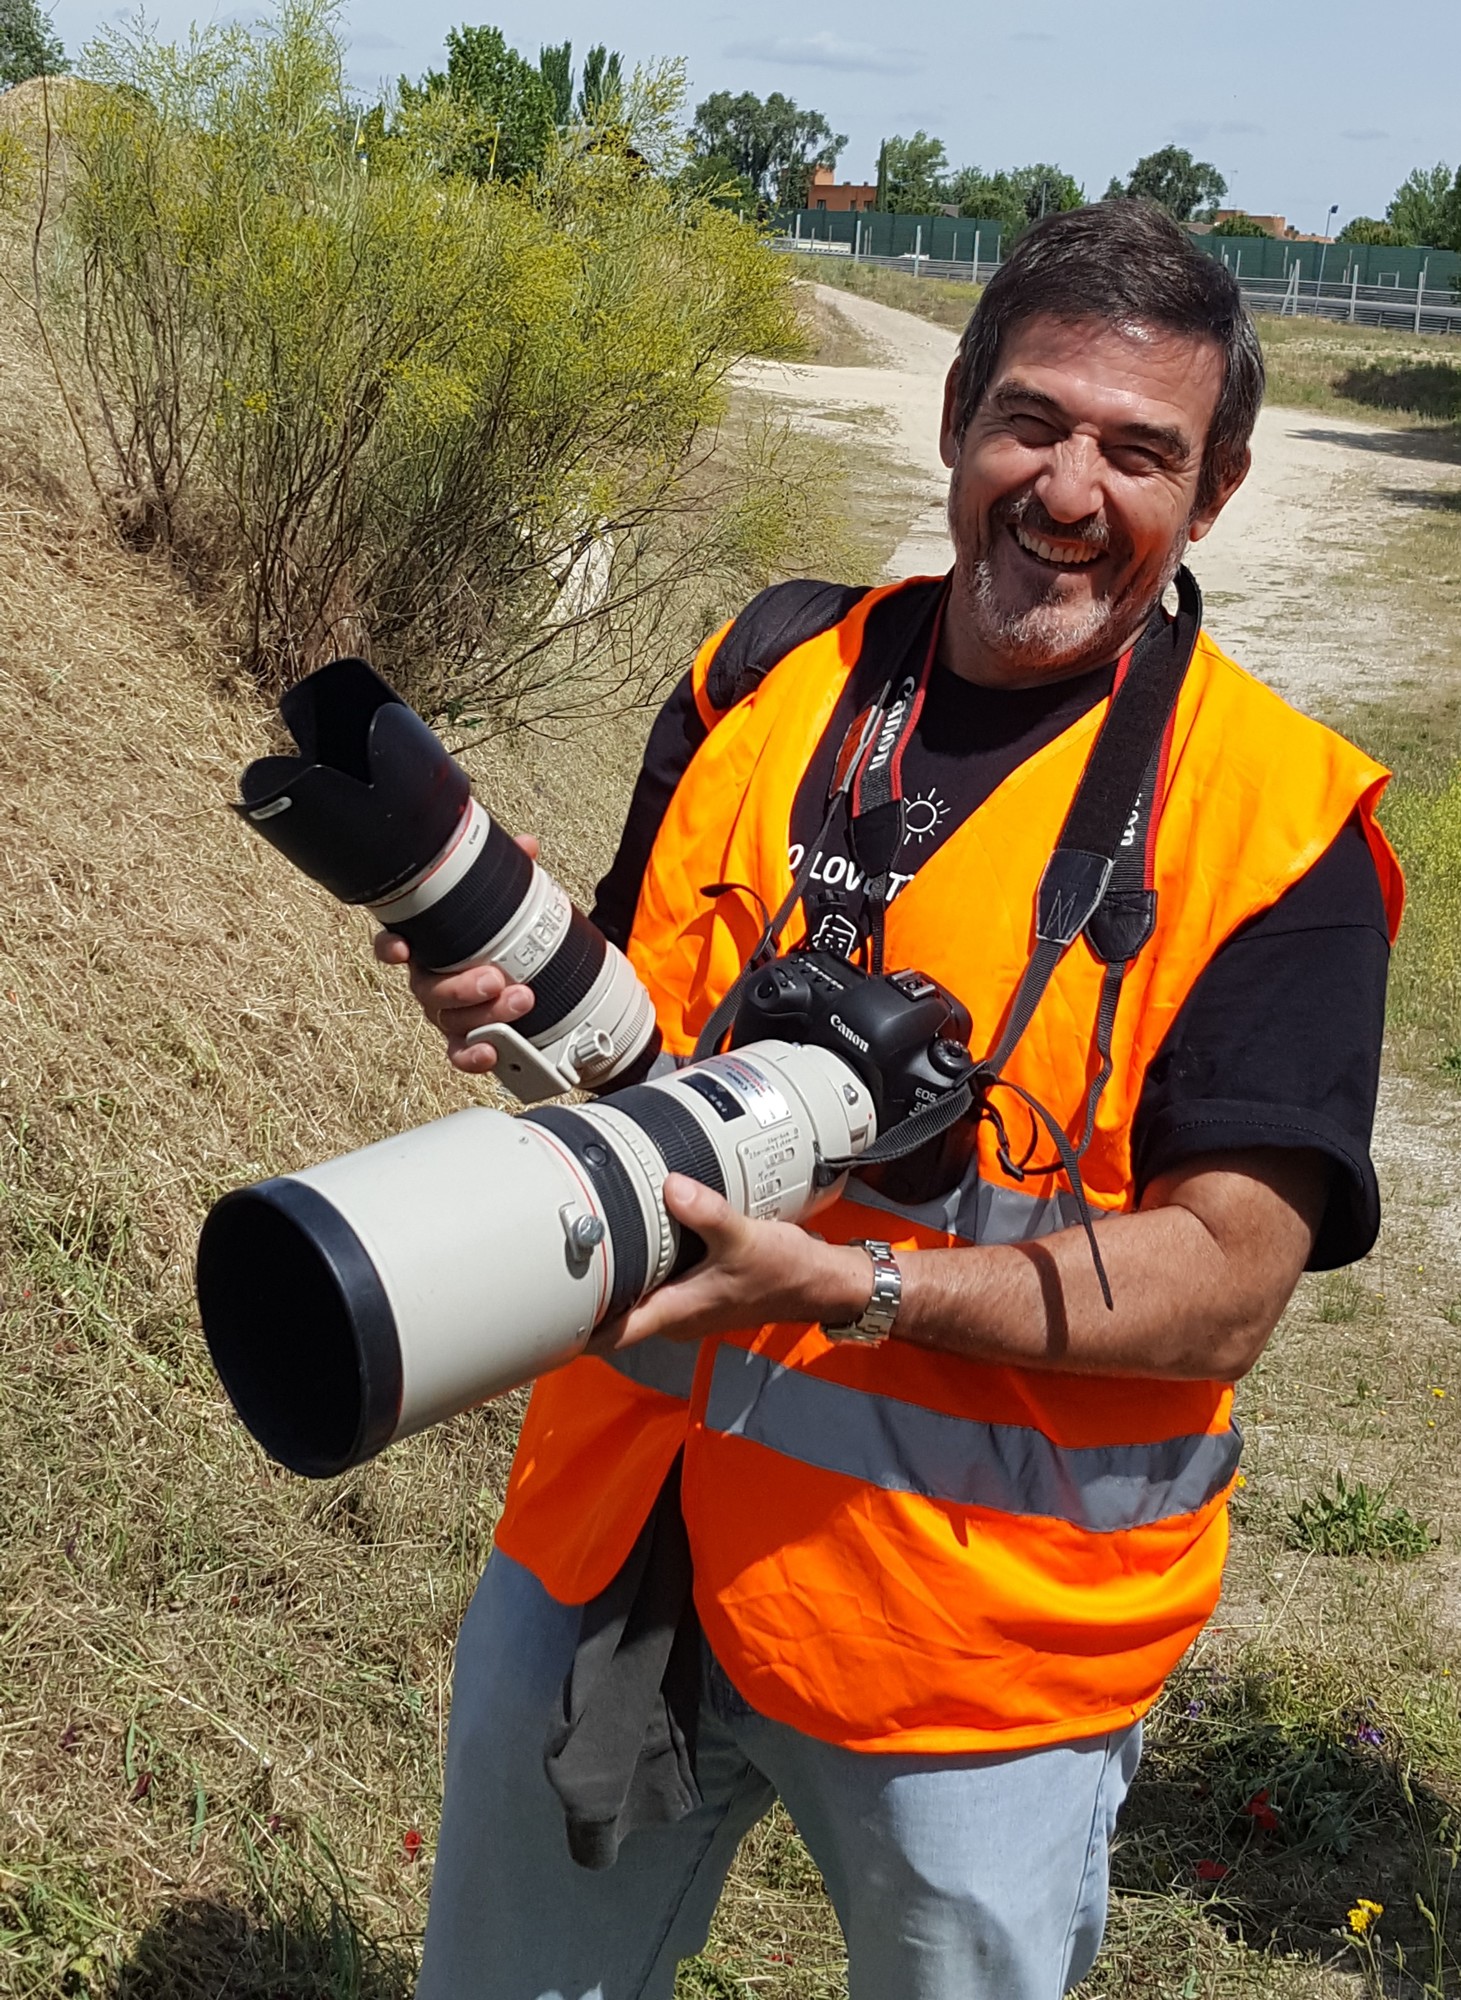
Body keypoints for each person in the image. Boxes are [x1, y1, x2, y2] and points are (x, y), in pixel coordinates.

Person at [375, 202, 1402, 1999]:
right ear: (951, 415)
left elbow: (1230, 1282)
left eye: (1137, 451)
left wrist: (858, 1289)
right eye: (1030, 420)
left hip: (973, 1652)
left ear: (1211, 494)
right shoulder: (770, 668)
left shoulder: (1277, 831)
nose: (1067, 490)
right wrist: (525, 1003)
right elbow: (643, 1045)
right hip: (622, 1530)